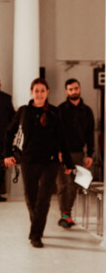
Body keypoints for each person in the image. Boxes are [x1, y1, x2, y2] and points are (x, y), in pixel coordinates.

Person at [4, 78, 74, 248]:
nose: (39, 94)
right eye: (36, 90)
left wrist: (68, 162)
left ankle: (36, 234)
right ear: (31, 92)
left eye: (43, 90)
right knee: (31, 197)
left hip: (50, 162)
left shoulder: (54, 112)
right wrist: (6, 155)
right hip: (28, 161)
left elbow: (62, 138)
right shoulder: (24, 111)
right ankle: (37, 225)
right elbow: (8, 132)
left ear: (47, 92)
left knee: (44, 199)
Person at [57, 78, 95, 228]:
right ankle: (64, 214)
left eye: (76, 88)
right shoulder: (60, 110)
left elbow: (90, 134)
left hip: (78, 153)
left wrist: (90, 153)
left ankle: (67, 213)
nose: (74, 91)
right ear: (66, 91)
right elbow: (57, 133)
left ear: (79, 89)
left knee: (73, 185)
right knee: (62, 184)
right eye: (70, 89)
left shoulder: (87, 111)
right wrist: (58, 151)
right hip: (62, 152)